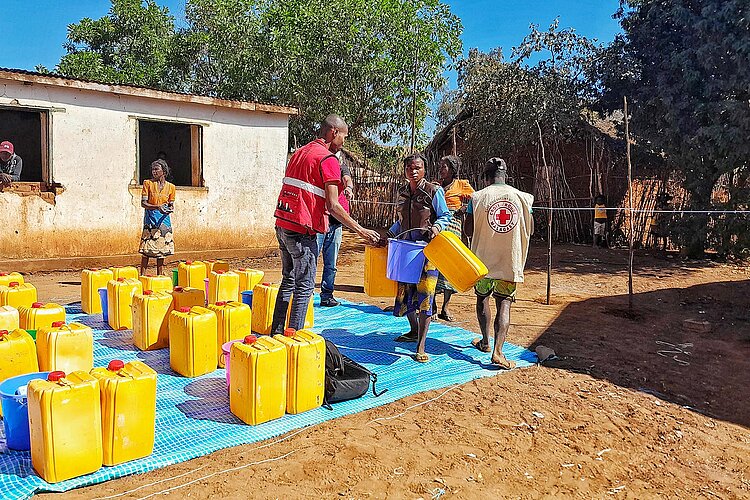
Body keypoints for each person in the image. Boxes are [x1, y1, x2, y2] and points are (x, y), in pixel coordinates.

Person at [272, 114, 379, 335]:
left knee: (288, 280)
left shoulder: (299, 153)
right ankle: (293, 341)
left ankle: (276, 333)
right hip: (303, 230)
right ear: (334, 133)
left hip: (283, 224)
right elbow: (333, 206)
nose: (344, 143)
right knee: (304, 287)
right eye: (344, 137)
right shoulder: (327, 159)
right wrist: (360, 230)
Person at [465, 158, 533, 369]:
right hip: (509, 260)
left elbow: (468, 231)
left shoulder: (476, 198)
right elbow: (530, 229)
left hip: (482, 262)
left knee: (482, 299)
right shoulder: (523, 198)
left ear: (486, 177)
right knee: (504, 302)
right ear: (506, 176)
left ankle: (485, 341)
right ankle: (498, 351)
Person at [384, 153, 451, 363]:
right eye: (409, 168)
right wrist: (389, 234)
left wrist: (437, 228)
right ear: (405, 171)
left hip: (427, 252)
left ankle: (421, 346)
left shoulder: (433, 191)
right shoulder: (403, 193)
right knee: (406, 295)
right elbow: (400, 221)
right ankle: (413, 331)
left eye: (417, 168)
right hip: (405, 250)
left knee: (426, 298)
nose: (413, 171)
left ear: (424, 170)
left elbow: (445, 215)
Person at [434, 155, 474, 322]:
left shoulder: (462, 184)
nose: (441, 169)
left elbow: (476, 199)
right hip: (438, 225)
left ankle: (446, 306)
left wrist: (464, 208)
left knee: (451, 265)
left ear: (452, 169)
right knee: (436, 263)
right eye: (441, 166)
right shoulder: (436, 185)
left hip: (454, 225)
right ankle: (433, 306)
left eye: (445, 166)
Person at [316, 151, 355, 307]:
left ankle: (326, 295)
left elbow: (347, 179)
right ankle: (304, 295)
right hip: (318, 222)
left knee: (331, 264)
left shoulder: (341, 166)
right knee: (311, 261)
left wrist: (349, 188)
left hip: (335, 223)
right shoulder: (319, 166)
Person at [139, 159, 175, 276]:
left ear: (163, 171)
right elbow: (143, 203)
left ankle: (159, 274)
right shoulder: (147, 183)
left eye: (156, 169)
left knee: (161, 249)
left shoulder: (171, 187)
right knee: (147, 249)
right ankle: (142, 275)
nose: (154, 171)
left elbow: (171, 203)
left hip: (164, 220)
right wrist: (157, 207)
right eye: (153, 169)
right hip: (151, 218)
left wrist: (169, 207)